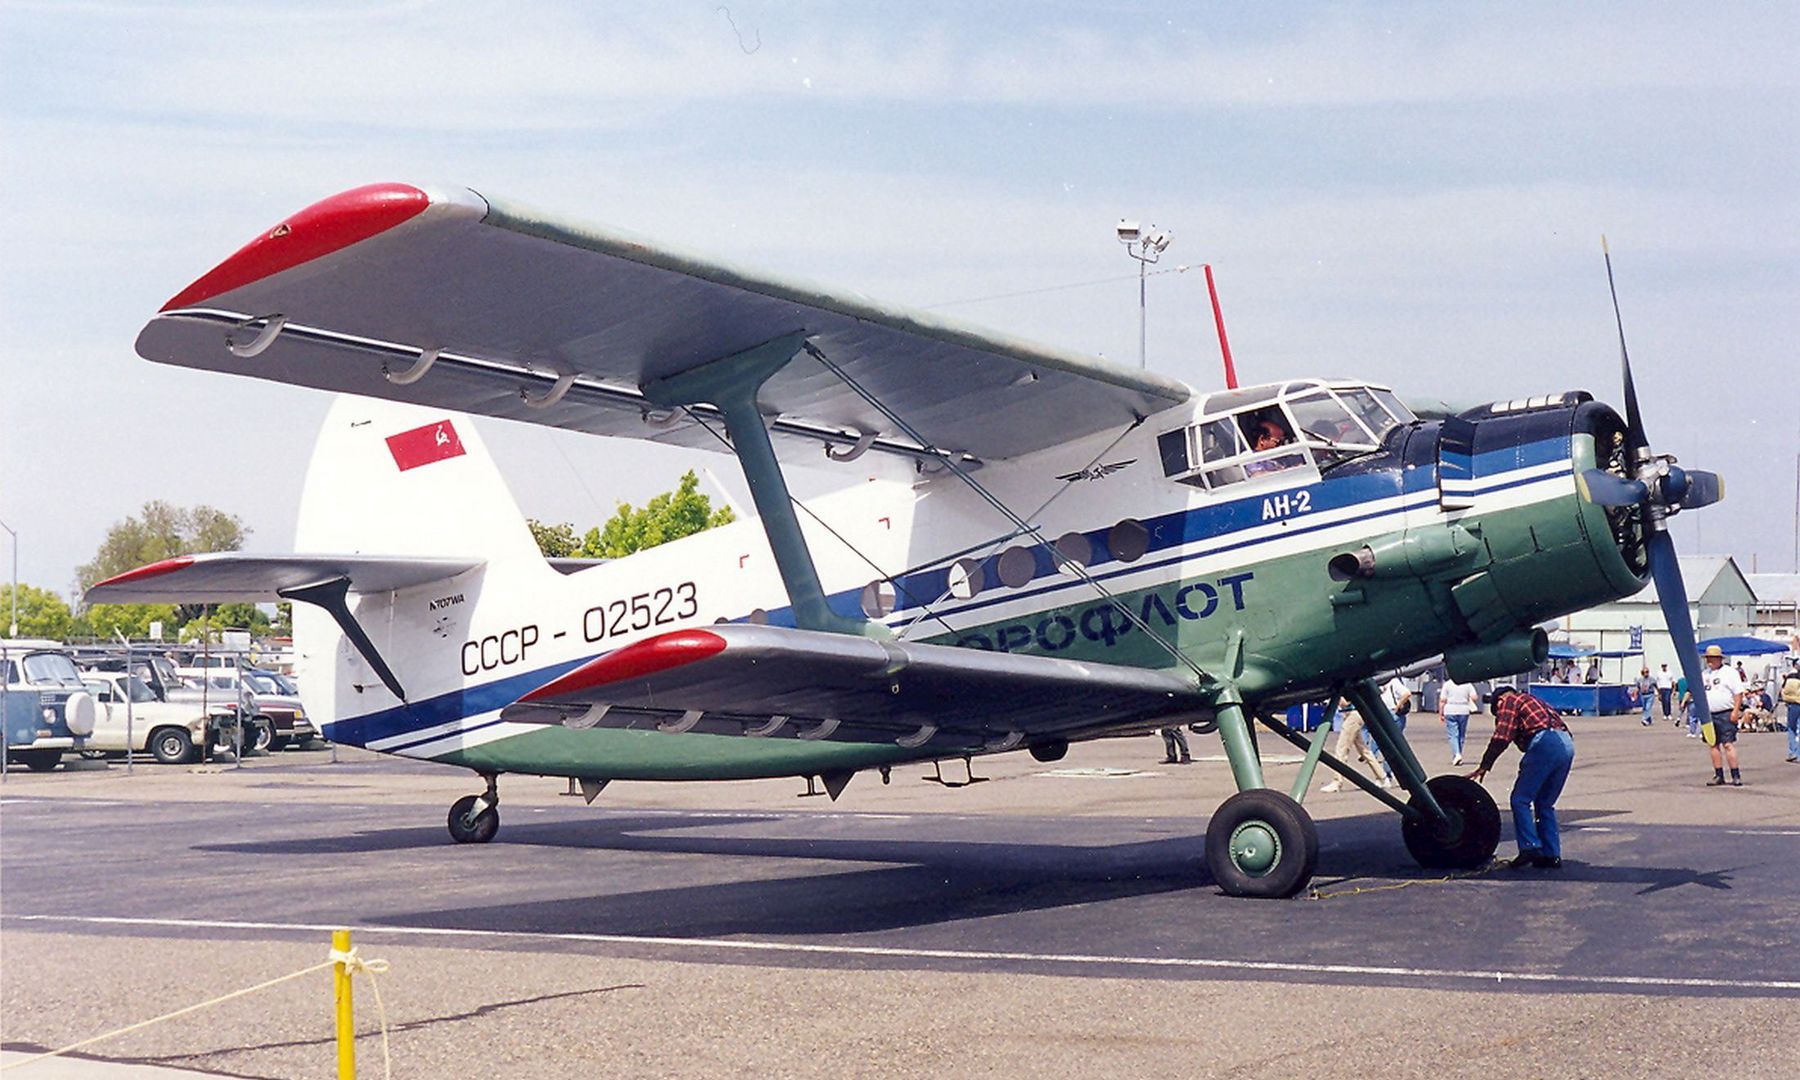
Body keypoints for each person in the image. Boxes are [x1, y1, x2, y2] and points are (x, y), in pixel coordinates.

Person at [1468, 686, 1575, 868]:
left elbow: (1502, 735)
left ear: (1499, 700)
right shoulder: (1536, 701)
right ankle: (1551, 854)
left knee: (1520, 799)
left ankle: (1529, 847)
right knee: (1545, 803)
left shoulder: (1510, 701)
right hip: (1566, 743)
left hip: (1544, 742)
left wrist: (1485, 764)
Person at [1698, 644, 1746, 786]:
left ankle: (1735, 774)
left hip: (1726, 713)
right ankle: (1718, 774)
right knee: (1713, 744)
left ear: (1719, 658)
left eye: (1713, 658)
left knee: (1728, 744)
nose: (1710, 661)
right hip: (1709, 714)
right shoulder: (1704, 674)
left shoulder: (1730, 673)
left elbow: (1738, 693)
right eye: (1708, 658)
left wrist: (1735, 711)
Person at [1320, 704, 1394, 791]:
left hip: (1352, 715)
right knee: (1363, 750)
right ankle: (1382, 777)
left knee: (1341, 749)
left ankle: (1337, 782)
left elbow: (1345, 703)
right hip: (1351, 714)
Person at [1440, 676, 1480, 765]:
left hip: (1450, 709)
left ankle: (1457, 754)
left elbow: (1442, 700)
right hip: (1464, 710)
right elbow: (1474, 697)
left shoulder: (1447, 684)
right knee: (1461, 734)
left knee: (1452, 734)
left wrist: (1441, 713)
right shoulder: (1467, 684)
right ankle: (1458, 755)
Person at [1780, 666, 1800, 763]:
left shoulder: (1790, 678)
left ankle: (1793, 752)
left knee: (1792, 729)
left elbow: (1783, 690)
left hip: (1793, 705)